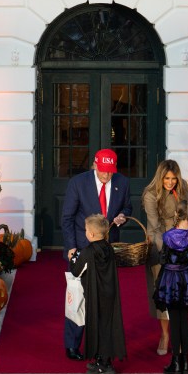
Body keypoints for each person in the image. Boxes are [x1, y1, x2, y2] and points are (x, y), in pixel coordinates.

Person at [60, 148, 132, 361]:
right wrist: (71, 247)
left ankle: (102, 346)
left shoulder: (123, 183)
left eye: (110, 172)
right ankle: (72, 344)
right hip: (82, 248)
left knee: (105, 299)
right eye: (102, 171)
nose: (106, 176)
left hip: (108, 252)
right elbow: (67, 218)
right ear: (94, 165)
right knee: (79, 297)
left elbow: (128, 207)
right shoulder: (78, 183)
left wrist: (123, 216)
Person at [70, 214, 126, 374]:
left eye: (86, 230)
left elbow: (77, 271)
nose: (85, 232)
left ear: (92, 234)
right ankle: (106, 361)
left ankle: (101, 362)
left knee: (97, 326)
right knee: (107, 326)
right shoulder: (109, 248)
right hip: (110, 293)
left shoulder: (88, 251)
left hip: (95, 295)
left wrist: (73, 257)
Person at [152, 198, 188, 374]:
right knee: (184, 321)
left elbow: (163, 260)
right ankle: (186, 362)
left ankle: (175, 362)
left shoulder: (168, 236)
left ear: (176, 214)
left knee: (174, 321)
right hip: (187, 281)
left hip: (171, 282)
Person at [142, 158, 186, 355]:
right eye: (166, 178)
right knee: (162, 293)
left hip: (180, 242)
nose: (170, 182)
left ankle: (179, 333)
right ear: (160, 177)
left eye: (173, 179)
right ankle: (164, 335)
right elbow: (155, 225)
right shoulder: (150, 195)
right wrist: (169, 250)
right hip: (159, 245)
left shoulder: (182, 188)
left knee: (181, 292)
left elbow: (186, 216)